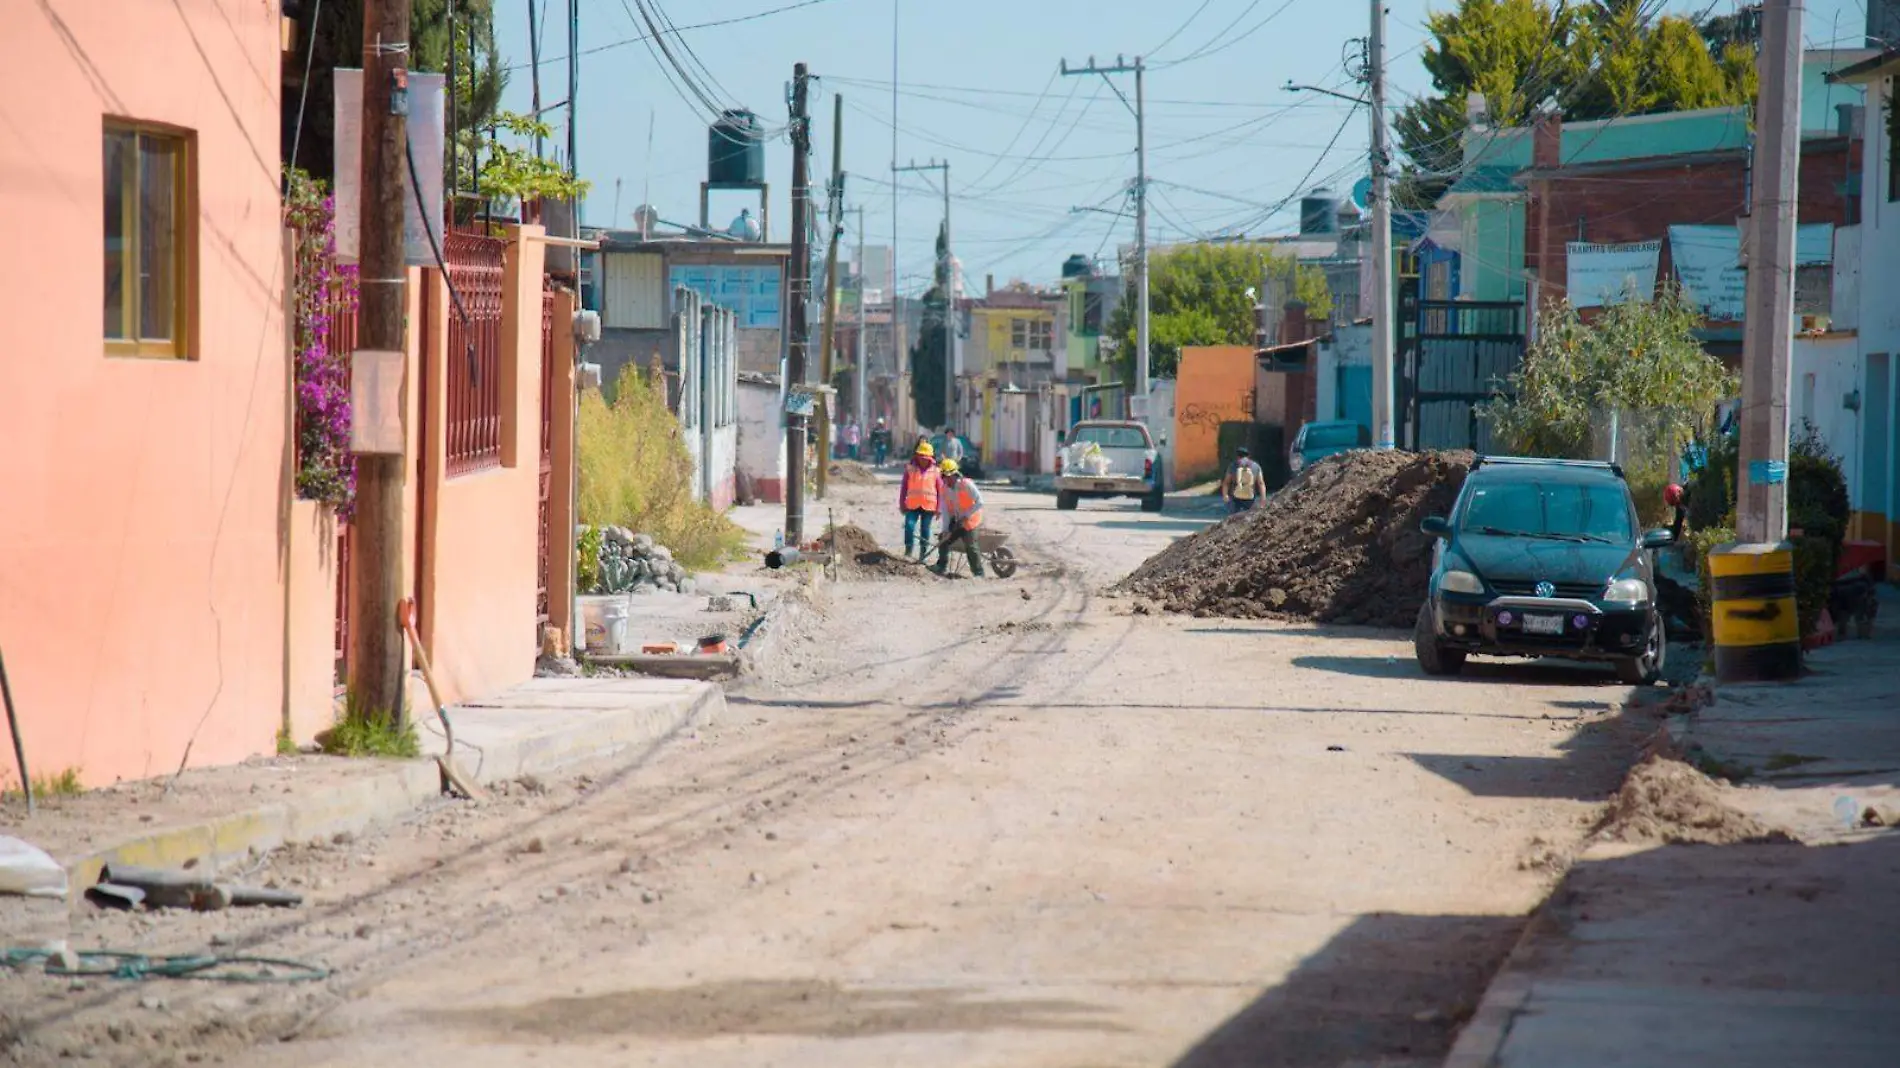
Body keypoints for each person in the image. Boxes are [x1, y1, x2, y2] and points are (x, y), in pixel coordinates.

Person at [933, 459, 986, 577]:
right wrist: (946, 530)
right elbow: (946, 511)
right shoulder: (944, 489)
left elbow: (980, 502)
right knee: (943, 539)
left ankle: (978, 572)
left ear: (954, 474)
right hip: (957, 520)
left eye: (947, 476)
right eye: (943, 476)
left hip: (971, 520)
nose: (945, 479)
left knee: (970, 545)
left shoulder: (966, 484)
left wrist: (966, 515)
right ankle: (941, 566)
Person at [898, 442, 943, 561]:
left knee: (925, 529)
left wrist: (939, 509)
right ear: (917, 456)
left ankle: (923, 554)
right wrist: (902, 504)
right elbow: (904, 488)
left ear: (930, 458)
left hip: (929, 506)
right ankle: (908, 550)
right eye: (921, 456)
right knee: (909, 526)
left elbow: (940, 491)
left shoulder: (936, 471)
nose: (923, 460)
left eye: (926, 457)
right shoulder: (910, 469)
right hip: (912, 505)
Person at [1221, 446, 1267, 515]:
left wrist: (1225, 495)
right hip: (1250, 497)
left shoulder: (1233, 465)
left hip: (1235, 497)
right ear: (1248, 455)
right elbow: (1261, 483)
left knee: (1234, 518)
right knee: (1250, 517)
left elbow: (1226, 482)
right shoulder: (1256, 466)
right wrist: (1263, 499)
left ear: (1238, 455)